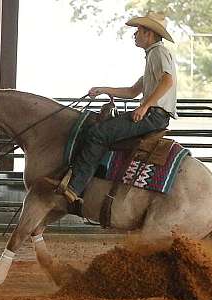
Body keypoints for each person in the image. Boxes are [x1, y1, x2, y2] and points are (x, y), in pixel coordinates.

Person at [57, 12, 178, 205]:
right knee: (104, 128)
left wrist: (146, 106)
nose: (135, 35)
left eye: (138, 31)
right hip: (155, 114)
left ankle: (75, 186)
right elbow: (132, 91)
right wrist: (103, 89)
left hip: (154, 115)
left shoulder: (158, 53)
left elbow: (168, 81)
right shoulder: (153, 56)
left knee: (99, 133)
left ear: (149, 34)